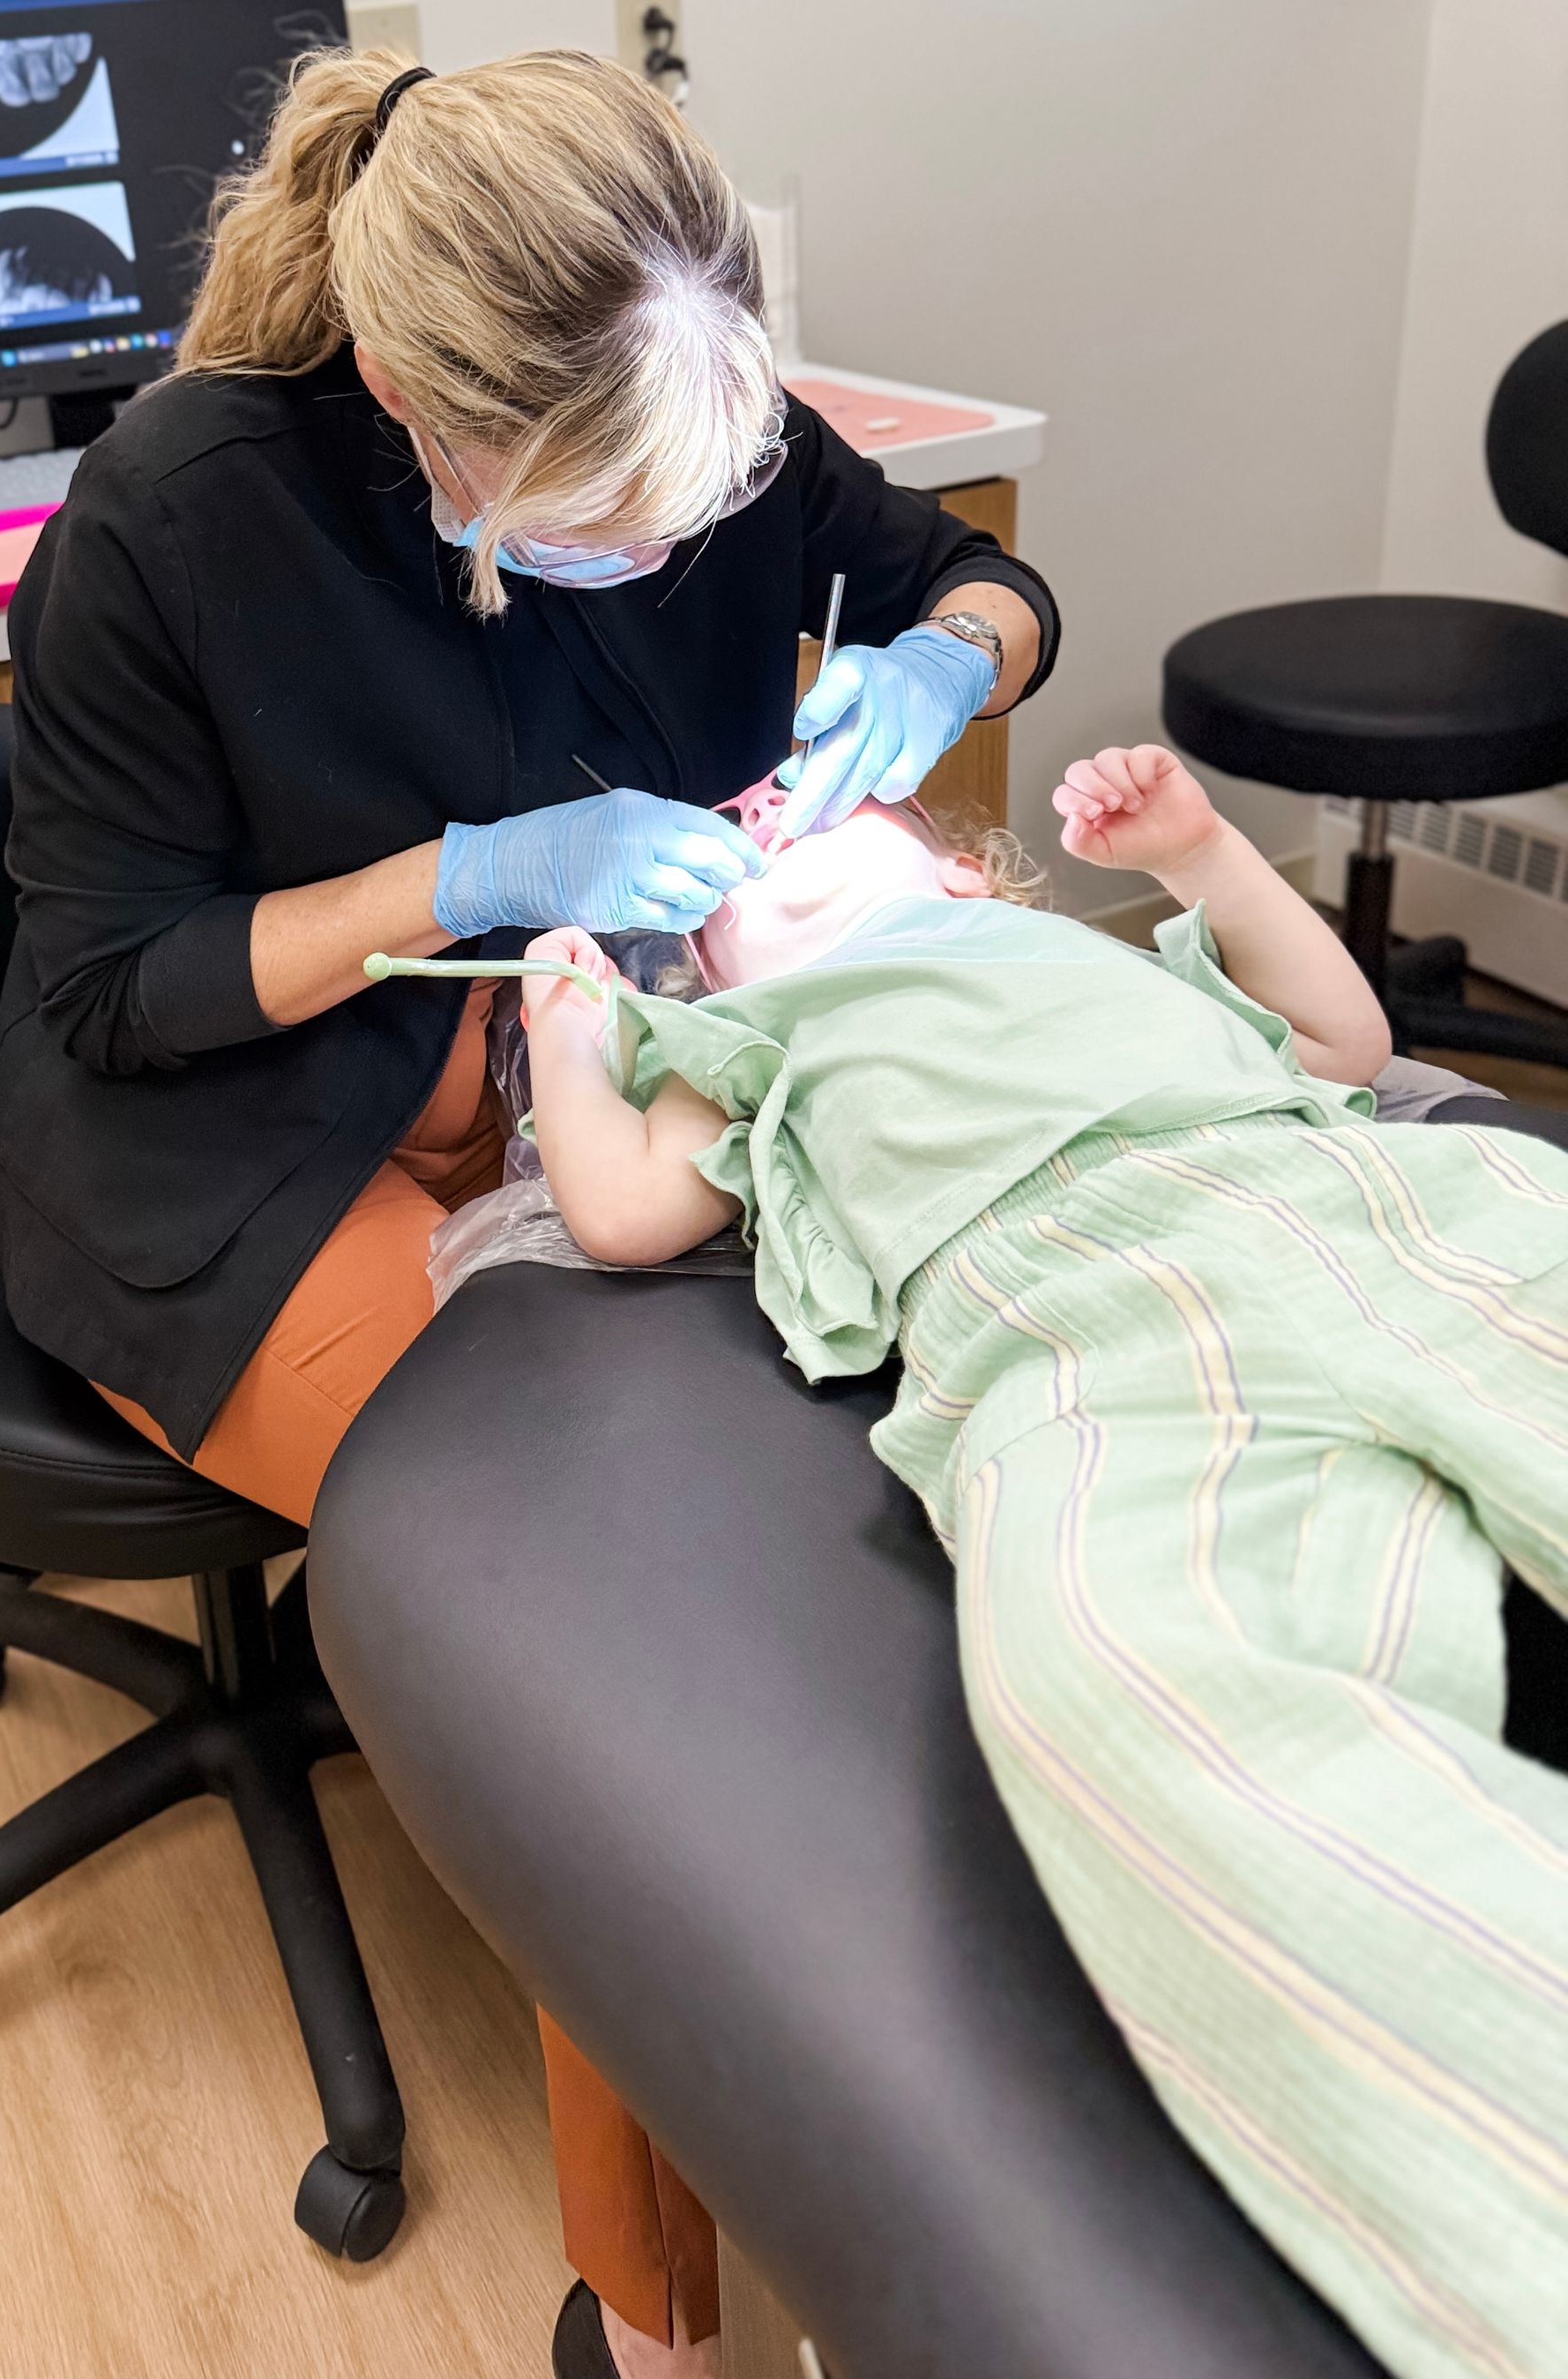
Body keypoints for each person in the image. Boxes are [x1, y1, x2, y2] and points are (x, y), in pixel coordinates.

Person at [0, 42, 1057, 2378]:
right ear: (419, 404)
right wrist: (454, 883)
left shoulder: (702, 396)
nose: (673, 557)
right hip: (233, 1150)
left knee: (829, 1512)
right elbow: (116, 987)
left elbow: (979, 576)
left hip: (569, 1079)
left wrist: (935, 666)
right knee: (630, 1638)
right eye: (610, 518)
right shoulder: (178, 518)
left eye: (703, 501)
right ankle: (648, 2325)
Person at [512, 745, 1568, 2379]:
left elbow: (1348, 1045)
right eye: (725, 852)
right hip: (1073, 1332)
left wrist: (1205, 852)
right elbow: (627, 1212)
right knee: (1120, 1674)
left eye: (795, 794)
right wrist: (569, 1030)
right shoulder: (748, 1039)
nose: (750, 819)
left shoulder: (1076, 948)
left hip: (1345, 1194)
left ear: (957, 871)